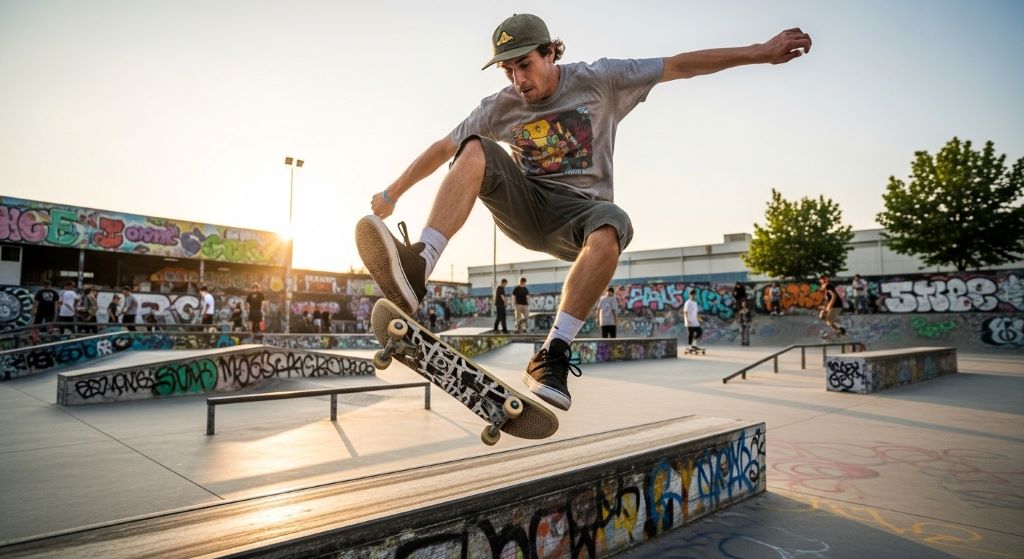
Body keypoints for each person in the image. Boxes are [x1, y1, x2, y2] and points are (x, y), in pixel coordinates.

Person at [354, 13, 811, 410]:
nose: (518, 81)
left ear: (551, 53)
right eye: (508, 71)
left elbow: (679, 66)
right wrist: (394, 191)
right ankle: (420, 267)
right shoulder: (500, 106)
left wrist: (759, 52)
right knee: (474, 147)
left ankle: (551, 354)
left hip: (580, 218)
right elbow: (443, 147)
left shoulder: (602, 78)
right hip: (527, 207)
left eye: (525, 66)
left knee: (616, 223)